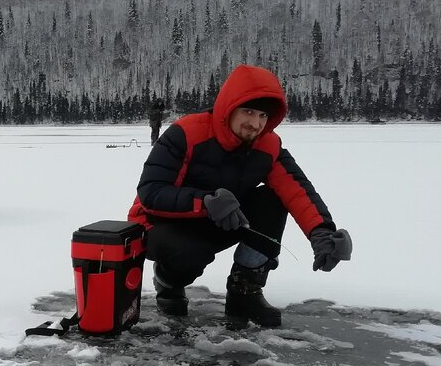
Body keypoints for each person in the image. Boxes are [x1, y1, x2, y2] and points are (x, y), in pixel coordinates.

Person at [128, 65, 353, 327]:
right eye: (248, 111)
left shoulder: (268, 145)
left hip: (224, 219)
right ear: (228, 107)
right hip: (161, 224)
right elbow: (151, 193)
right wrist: (206, 202)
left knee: (272, 200)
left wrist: (322, 233)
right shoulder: (186, 133)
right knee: (189, 254)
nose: (255, 123)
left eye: (262, 115)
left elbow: (297, 189)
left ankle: (245, 290)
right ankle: (168, 283)